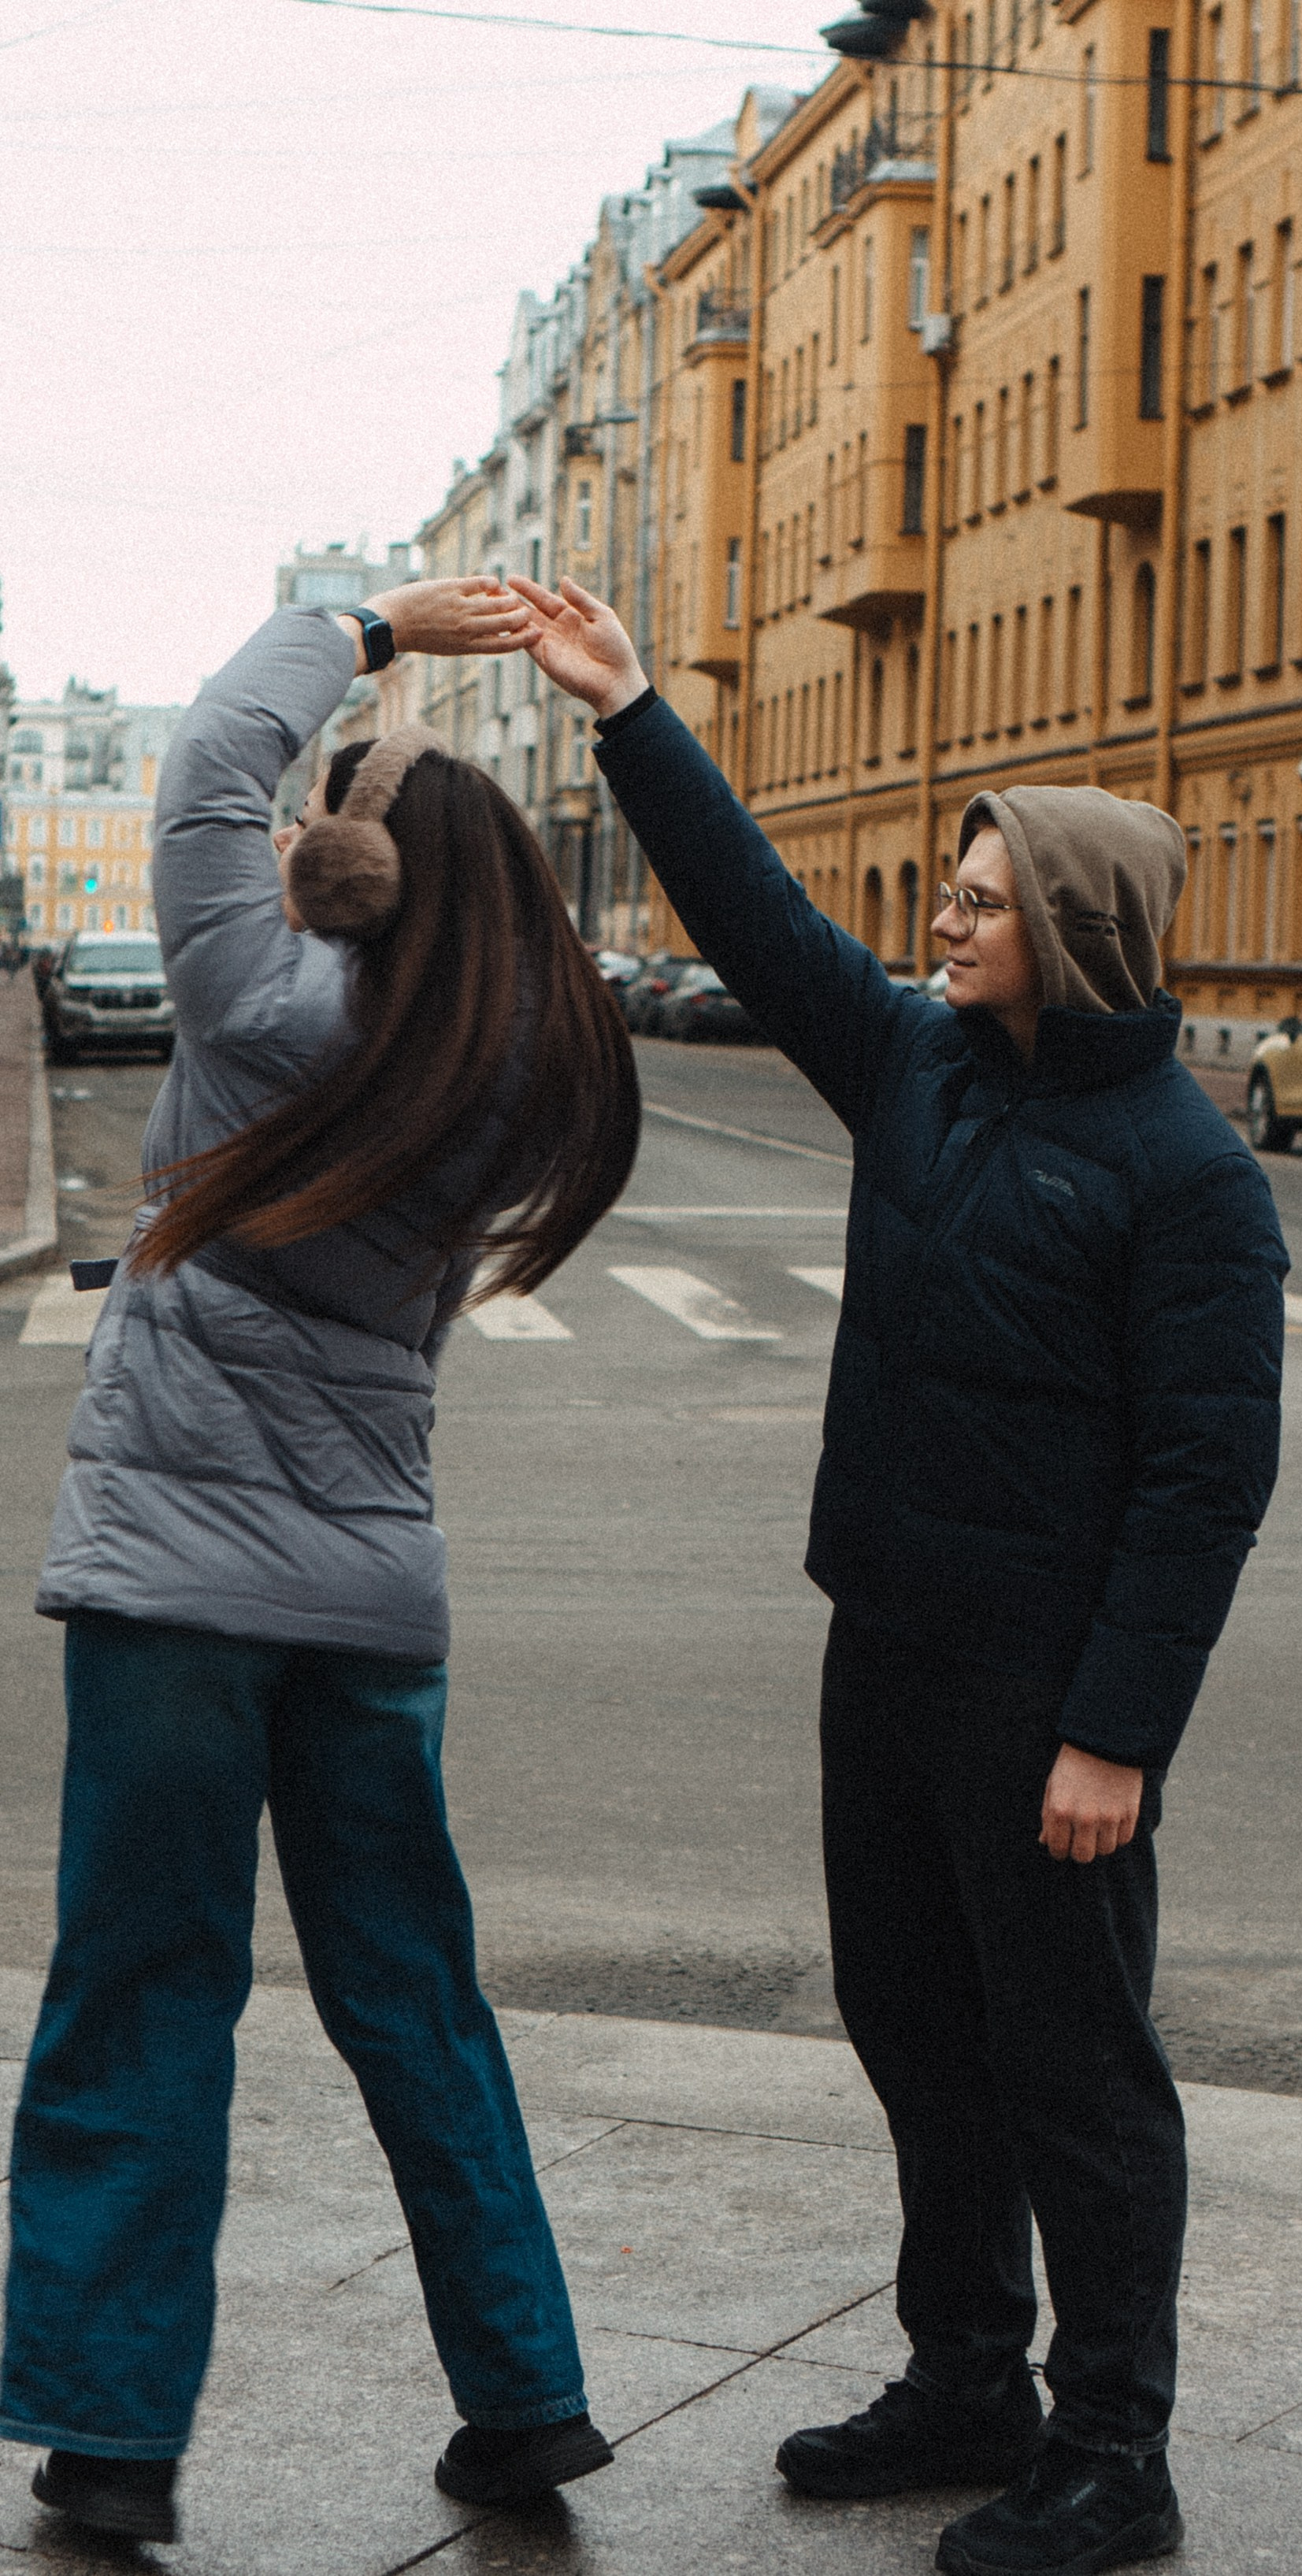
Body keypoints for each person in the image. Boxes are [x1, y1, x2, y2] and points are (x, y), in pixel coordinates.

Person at [512, 576, 1287, 2576]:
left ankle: (1116, 2449)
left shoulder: (1189, 1180)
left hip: (1049, 1695)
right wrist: (628, 711)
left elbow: (1205, 1485)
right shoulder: (921, 1074)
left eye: (975, 899)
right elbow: (761, 927)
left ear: (1074, 933)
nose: (937, 922)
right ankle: (969, 2376)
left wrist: (1113, 1733)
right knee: (911, 2021)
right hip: (889, 1637)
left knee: (1074, 2068)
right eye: (943, 895)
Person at [2, 580, 640, 2548]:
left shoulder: (250, 997)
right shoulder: (514, 1076)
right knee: (415, 1994)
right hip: (369, 1609)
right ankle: (526, 2393)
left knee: (140, 1991)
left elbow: (206, 765)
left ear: (354, 868)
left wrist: (359, 629)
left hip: (173, 1599)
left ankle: (116, 2443)